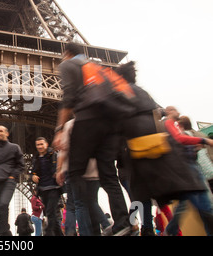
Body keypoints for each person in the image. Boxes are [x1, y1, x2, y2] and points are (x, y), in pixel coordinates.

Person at [115, 62, 211, 235]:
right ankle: (161, 229)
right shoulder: (146, 97)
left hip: (136, 159)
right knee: (169, 198)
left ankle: (137, 226)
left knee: (138, 199)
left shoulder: (120, 96)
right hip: (159, 155)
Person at [52, 42, 131, 236]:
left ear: (67, 53)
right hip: (110, 125)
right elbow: (123, 94)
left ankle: (89, 230)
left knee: (76, 174)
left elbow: (69, 95)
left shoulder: (68, 64)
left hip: (88, 121)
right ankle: (123, 223)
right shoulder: (99, 68)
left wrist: (61, 128)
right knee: (109, 176)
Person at [163, 107, 213, 236]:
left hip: (189, 169)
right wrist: (203, 140)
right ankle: (170, 230)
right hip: (188, 170)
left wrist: (193, 148)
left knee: (190, 204)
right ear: (169, 112)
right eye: (174, 110)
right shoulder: (168, 123)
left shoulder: (172, 126)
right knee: (204, 206)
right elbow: (179, 140)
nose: (178, 112)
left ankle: (170, 230)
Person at [0, 125, 25, 236]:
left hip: (9, 181)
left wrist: (13, 176)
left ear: (7, 133)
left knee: (3, 204)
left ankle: (4, 232)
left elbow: (21, 165)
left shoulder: (14, 147)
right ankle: (5, 234)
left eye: (1, 131)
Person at [31, 137, 63, 236]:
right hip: (43, 189)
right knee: (50, 214)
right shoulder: (36, 158)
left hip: (54, 187)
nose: (40, 146)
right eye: (38, 145)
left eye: (41, 144)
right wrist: (33, 176)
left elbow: (61, 166)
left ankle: (47, 232)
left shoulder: (54, 155)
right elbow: (33, 172)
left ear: (47, 144)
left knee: (50, 212)